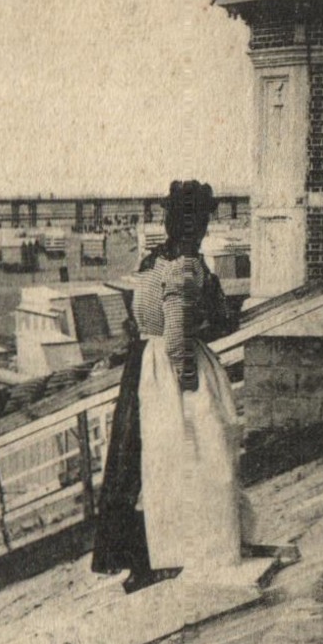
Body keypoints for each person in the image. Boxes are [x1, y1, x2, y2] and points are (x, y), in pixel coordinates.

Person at [92, 180, 240, 593]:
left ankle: (138, 555)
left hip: (143, 366)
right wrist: (190, 382)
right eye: (205, 219)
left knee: (137, 461)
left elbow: (138, 319)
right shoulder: (185, 266)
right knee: (192, 456)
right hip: (170, 371)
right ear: (197, 224)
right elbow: (178, 336)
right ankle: (173, 553)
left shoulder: (151, 261)